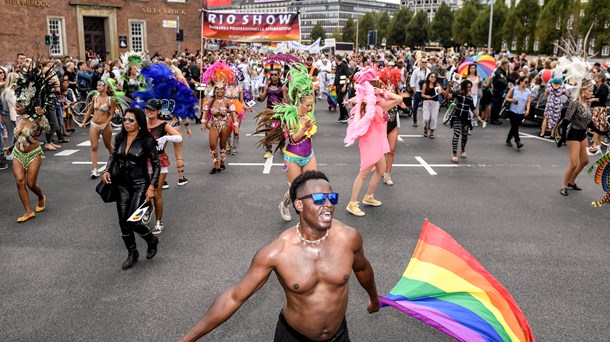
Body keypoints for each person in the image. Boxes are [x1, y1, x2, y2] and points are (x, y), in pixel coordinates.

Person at [180, 170, 380, 342]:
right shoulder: (277, 252)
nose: (328, 204)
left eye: (332, 198)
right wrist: (188, 339)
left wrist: (374, 299)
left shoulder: (349, 238)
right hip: (294, 337)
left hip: (339, 336)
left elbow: (362, 268)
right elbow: (234, 297)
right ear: (299, 205)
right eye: (319, 199)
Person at [255, 64, 318, 222]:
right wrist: (303, 128)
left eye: (311, 105)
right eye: (307, 105)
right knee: (294, 189)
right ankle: (284, 204)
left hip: (308, 155)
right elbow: (292, 139)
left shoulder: (308, 114)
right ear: (299, 103)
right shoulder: (289, 116)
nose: (310, 108)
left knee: (311, 184)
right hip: (292, 157)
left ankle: (309, 215)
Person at [101, 108, 160, 270]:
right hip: (121, 185)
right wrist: (107, 170)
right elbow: (113, 156)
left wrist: (152, 186)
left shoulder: (147, 140)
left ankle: (151, 240)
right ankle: (132, 253)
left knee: (133, 221)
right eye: (124, 120)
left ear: (139, 123)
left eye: (130, 120)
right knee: (122, 222)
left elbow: (156, 165)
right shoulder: (120, 137)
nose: (126, 123)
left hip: (140, 185)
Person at [344, 68, 404, 217]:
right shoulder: (378, 105)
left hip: (378, 141)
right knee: (363, 174)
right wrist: (385, 92)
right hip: (371, 144)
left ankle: (368, 196)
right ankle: (352, 203)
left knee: (381, 170)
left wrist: (380, 92)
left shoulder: (366, 102)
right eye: (378, 86)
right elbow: (399, 99)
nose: (382, 88)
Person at [11, 64, 54, 222]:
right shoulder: (19, 118)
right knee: (19, 181)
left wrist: (42, 116)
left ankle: (40, 197)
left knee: (30, 183)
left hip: (33, 153)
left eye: (19, 105)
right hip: (18, 153)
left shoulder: (36, 117)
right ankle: (28, 211)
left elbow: (48, 129)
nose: (16, 107)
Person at [143, 99, 182, 234]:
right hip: (142, 161)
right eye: (147, 109)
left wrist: (166, 138)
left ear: (158, 111)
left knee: (156, 193)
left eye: (152, 109)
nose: (149, 111)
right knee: (143, 191)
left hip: (158, 162)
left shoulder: (163, 125)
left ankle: (159, 222)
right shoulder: (141, 123)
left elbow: (179, 137)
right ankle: (149, 208)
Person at [560, 79, 594, 196]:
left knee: (585, 161)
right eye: (590, 91)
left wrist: (601, 131)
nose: (592, 93)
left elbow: (589, 123)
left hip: (583, 134)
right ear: (583, 92)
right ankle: (564, 185)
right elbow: (566, 121)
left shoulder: (588, 103)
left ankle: (571, 181)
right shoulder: (575, 103)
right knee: (574, 163)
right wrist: (562, 137)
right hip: (573, 135)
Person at [201, 70, 238, 174]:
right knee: (212, 144)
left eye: (222, 89)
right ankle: (215, 164)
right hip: (214, 124)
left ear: (224, 90)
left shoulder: (227, 101)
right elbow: (205, 111)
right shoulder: (211, 101)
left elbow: (233, 112)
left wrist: (235, 125)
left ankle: (222, 162)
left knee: (223, 144)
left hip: (225, 125)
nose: (219, 91)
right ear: (215, 90)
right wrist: (204, 122)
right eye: (217, 89)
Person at [81, 80, 116, 178]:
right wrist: (83, 122)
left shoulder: (111, 99)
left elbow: (112, 114)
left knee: (108, 145)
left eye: (100, 85)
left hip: (105, 125)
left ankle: (116, 163)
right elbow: (89, 110)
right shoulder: (95, 97)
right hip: (94, 124)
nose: (97, 87)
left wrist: (105, 124)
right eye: (97, 85)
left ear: (105, 87)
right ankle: (95, 170)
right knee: (94, 147)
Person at [258, 64, 288, 158]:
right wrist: (256, 97)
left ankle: (282, 146)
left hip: (279, 111)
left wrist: (284, 108)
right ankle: (268, 150)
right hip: (269, 111)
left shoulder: (282, 87)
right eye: (272, 75)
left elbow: (286, 100)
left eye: (275, 74)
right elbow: (262, 98)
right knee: (268, 131)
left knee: (281, 130)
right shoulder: (267, 87)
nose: (273, 76)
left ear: (279, 75)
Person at [445, 80, 478, 163]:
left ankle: (462, 149)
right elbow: (447, 96)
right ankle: (454, 154)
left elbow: (473, 108)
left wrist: (478, 117)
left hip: (466, 119)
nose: (469, 88)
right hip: (456, 117)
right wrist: (448, 88)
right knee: (456, 134)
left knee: (465, 135)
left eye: (470, 87)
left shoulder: (470, 98)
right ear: (463, 87)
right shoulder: (457, 94)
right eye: (467, 87)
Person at [504, 76, 531, 149]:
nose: (526, 83)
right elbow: (506, 98)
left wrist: (527, 110)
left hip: (521, 112)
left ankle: (508, 139)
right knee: (515, 126)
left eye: (527, 82)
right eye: (525, 82)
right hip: (512, 110)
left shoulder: (528, 91)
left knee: (514, 127)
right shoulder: (514, 89)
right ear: (520, 81)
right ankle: (517, 141)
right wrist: (512, 100)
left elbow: (528, 101)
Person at [589, 72, 608, 154]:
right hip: (596, 108)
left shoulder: (603, 86)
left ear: (600, 78)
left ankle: (595, 144)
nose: (594, 78)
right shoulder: (597, 86)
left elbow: (602, 98)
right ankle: (598, 143)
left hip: (599, 108)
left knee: (596, 126)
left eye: (596, 77)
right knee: (599, 126)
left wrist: (593, 99)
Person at [409, 57, 430, 128]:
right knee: (415, 107)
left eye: (425, 62)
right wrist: (414, 91)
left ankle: (427, 122)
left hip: (426, 91)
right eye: (423, 62)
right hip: (418, 91)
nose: (424, 63)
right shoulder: (416, 71)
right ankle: (415, 121)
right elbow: (412, 81)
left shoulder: (429, 71)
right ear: (420, 62)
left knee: (427, 107)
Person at [421, 72, 442, 139]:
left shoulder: (437, 84)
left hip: (435, 103)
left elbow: (441, 92)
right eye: (431, 76)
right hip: (426, 102)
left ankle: (432, 131)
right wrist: (426, 96)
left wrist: (440, 89)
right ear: (428, 77)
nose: (433, 78)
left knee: (433, 118)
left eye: (434, 77)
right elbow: (422, 94)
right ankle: (425, 128)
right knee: (426, 118)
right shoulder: (425, 84)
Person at [490, 60, 511, 125]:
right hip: (497, 91)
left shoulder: (503, 72)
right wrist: (507, 84)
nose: (508, 67)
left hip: (501, 91)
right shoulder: (499, 72)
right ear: (504, 65)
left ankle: (496, 117)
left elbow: (506, 78)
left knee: (499, 104)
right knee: (496, 105)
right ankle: (493, 119)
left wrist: (512, 80)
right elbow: (502, 80)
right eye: (507, 65)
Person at [334, 54, 351, 123]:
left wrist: (344, 86)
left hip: (342, 85)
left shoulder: (344, 66)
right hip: (338, 85)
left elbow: (347, 76)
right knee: (339, 100)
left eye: (334, 58)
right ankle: (342, 116)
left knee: (340, 99)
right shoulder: (338, 66)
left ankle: (346, 115)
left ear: (337, 58)